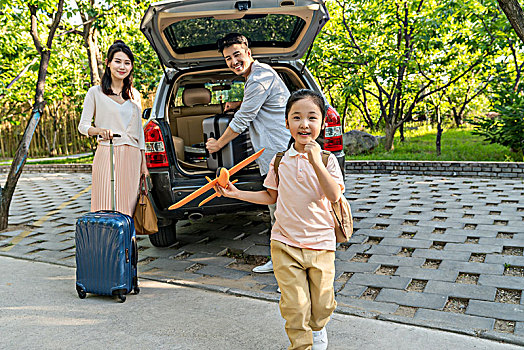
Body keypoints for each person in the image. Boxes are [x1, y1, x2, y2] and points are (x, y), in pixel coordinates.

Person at [216, 89, 345, 350]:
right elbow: (270, 196)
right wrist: (236, 192)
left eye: (311, 117)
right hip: (285, 243)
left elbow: (333, 195)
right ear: (286, 124)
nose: (304, 124)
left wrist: (315, 162)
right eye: (296, 117)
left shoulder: (327, 160)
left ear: (321, 123)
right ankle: (302, 344)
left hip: (321, 243)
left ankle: (318, 328)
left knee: (323, 304)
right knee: (294, 305)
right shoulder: (279, 161)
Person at [206, 33, 291, 273]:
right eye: (228, 58)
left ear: (248, 53)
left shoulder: (259, 78)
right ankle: (281, 262)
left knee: (283, 211)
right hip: (272, 154)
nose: (233, 61)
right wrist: (236, 105)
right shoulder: (256, 76)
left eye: (237, 55)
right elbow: (254, 105)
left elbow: (244, 119)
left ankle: (289, 269)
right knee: (276, 208)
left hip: (279, 153)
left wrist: (218, 144)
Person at [78, 40, 148, 216]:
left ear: (131, 67)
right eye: (117, 61)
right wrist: (100, 130)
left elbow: (139, 133)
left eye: (127, 63)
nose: (122, 67)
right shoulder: (95, 92)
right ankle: (106, 244)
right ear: (108, 63)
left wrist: (144, 164)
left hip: (132, 156)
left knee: (128, 208)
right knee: (104, 205)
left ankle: (127, 243)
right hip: (107, 153)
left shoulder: (134, 95)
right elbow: (83, 126)